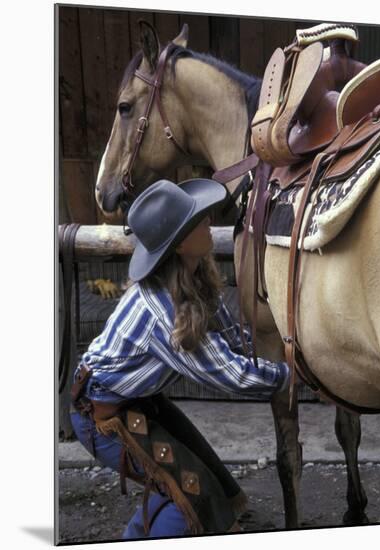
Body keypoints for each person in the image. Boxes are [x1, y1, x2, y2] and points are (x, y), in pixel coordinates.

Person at [70, 178, 290, 540]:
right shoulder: (163, 312)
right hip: (98, 415)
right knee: (191, 493)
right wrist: (291, 375)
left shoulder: (196, 277)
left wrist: (272, 349)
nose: (208, 223)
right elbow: (230, 374)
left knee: (197, 468)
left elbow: (230, 338)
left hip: (135, 400)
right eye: (199, 220)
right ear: (181, 242)